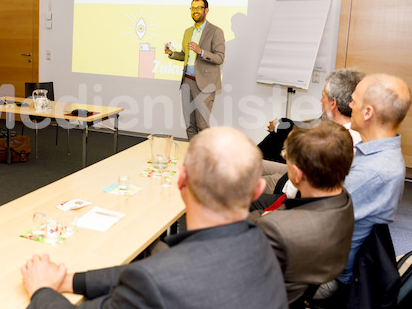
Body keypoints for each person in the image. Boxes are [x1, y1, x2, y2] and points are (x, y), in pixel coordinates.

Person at [20, 127, 288, 309]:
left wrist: (42, 290)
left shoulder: (156, 282)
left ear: (181, 180)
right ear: (258, 189)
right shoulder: (264, 241)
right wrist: (72, 280)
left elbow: (154, 276)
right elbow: (149, 271)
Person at [324, 73, 411, 298]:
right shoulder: (372, 152)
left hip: (328, 273)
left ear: (368, 112)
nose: (350, 104)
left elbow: (321, 219)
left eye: (354, 100)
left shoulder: (375, 170)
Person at [249, 121, 355, 305]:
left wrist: (265, 218)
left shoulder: (277, 229)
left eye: (286, 159)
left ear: (297, 174)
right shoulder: (344, 201)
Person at [258, 68, 365, 200]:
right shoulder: (344, 127)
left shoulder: (337, 139)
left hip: (291, 186)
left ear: (333, 103)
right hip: (293, 176)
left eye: (323, 96)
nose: (320, 101)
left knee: (250, 180)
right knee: (254, 163)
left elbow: (296, 189)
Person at [164, 0, 225, 141]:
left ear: (206, 10)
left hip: (205, 84)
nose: (195, 11)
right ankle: (194, 156)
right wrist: (172, 53)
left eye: (199, 7)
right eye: (193, 8)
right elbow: (186, 56)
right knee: (190, 125)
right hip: (187, 83)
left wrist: (201, 51)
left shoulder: (216, 31)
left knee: (202, 125)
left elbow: (220, 58)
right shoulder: (187, 32)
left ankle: (205, 159)